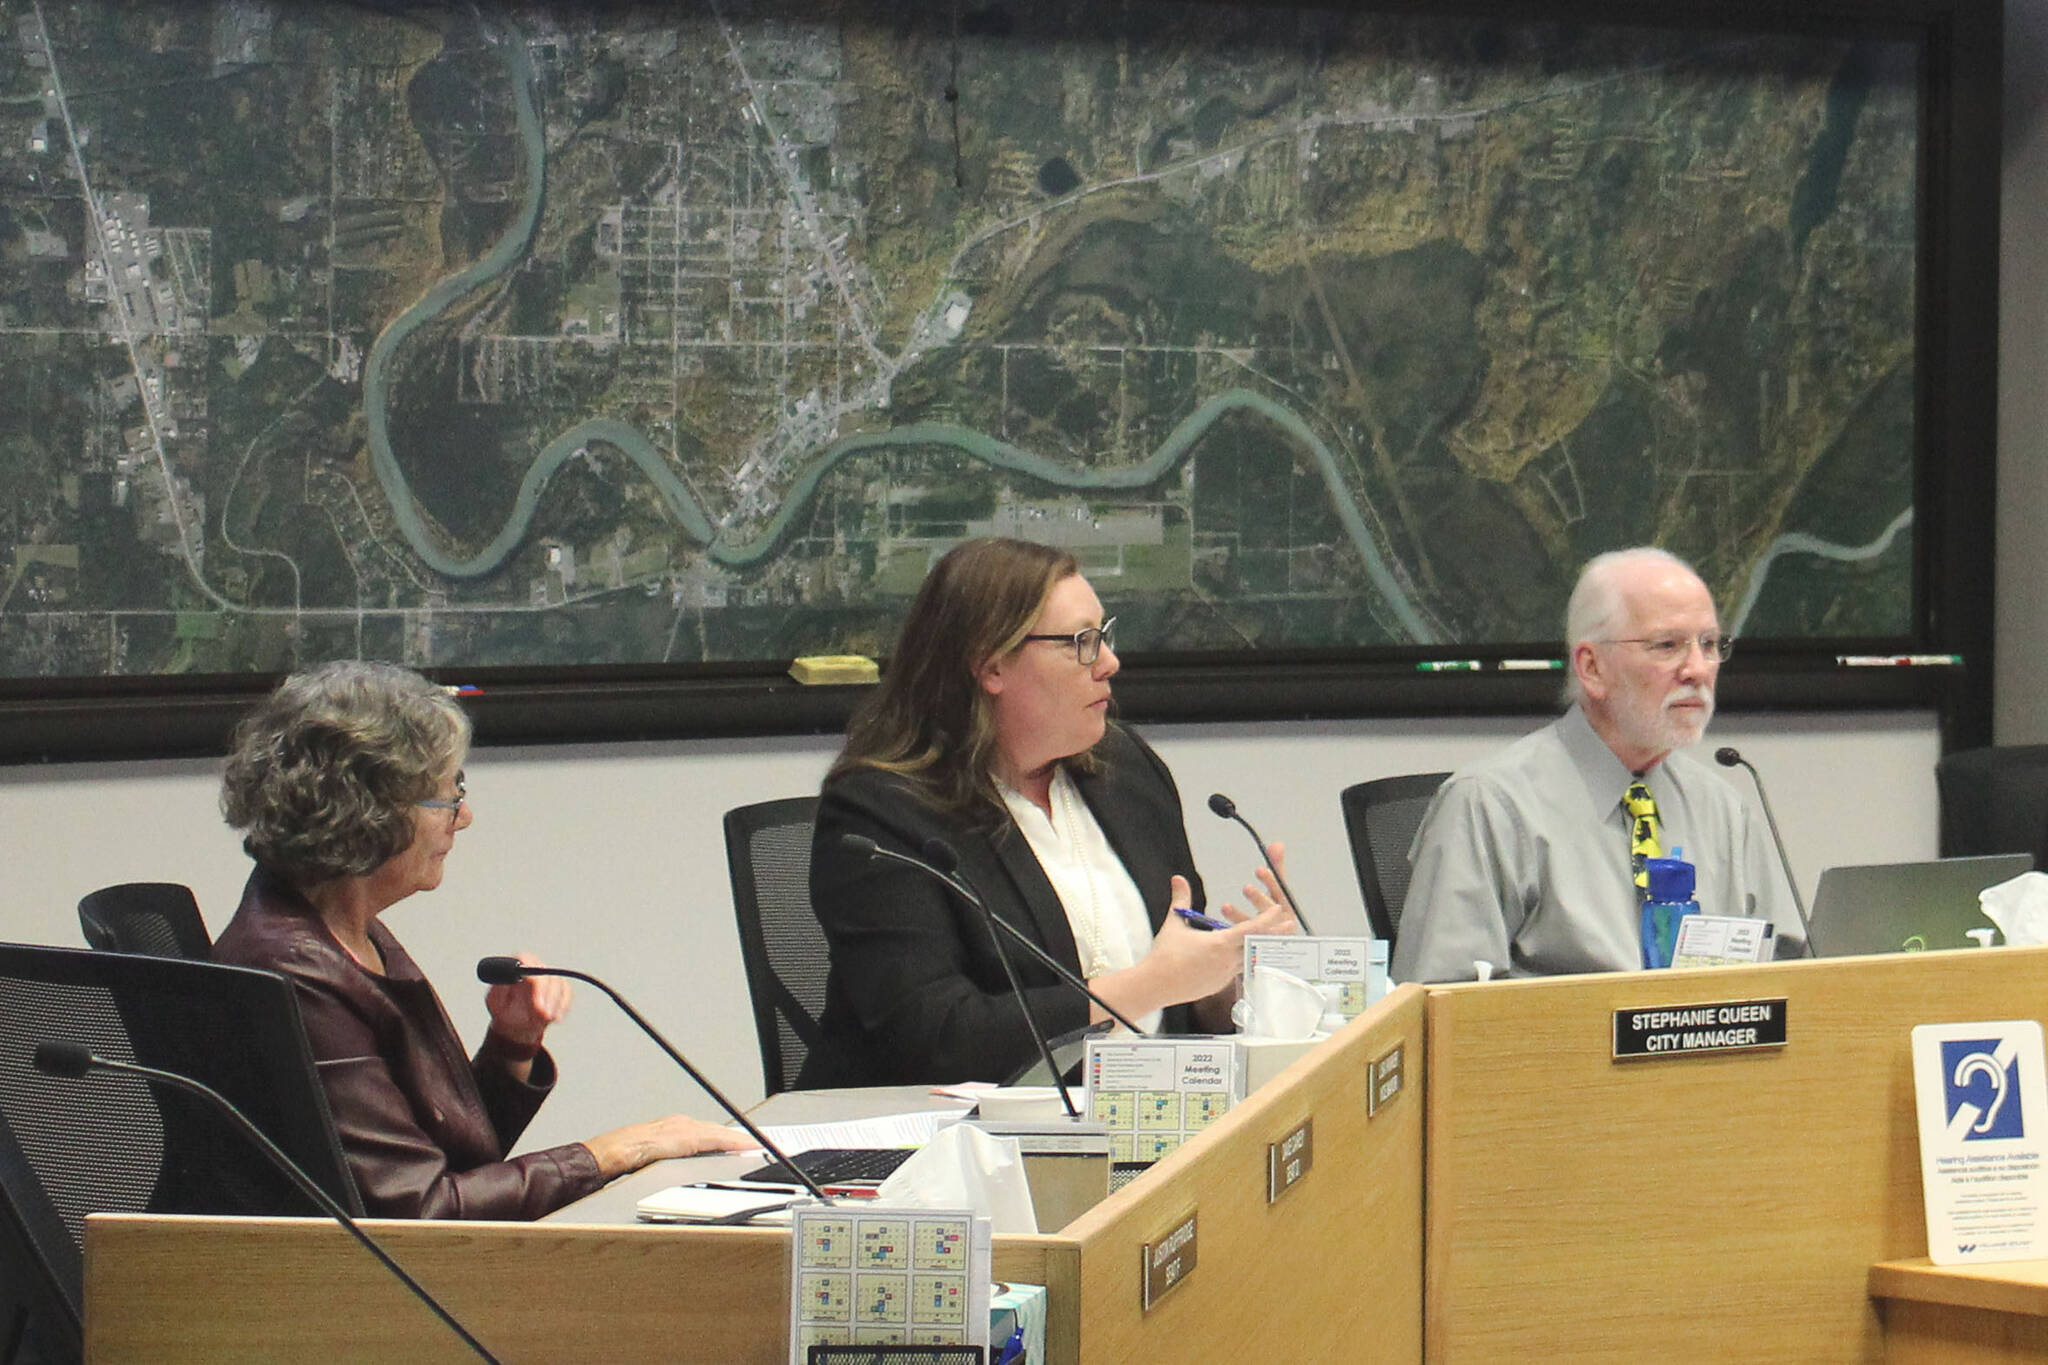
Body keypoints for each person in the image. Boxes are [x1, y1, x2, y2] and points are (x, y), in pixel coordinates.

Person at [212, 661, 750, 1219]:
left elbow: (444, 1156)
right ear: (370, 810)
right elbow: (420, 1211)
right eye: (448, 795)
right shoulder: (294, 970)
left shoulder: (344, 930)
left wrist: (512, 1045)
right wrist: (614, 1153)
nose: (463, 817)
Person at [800, 538, 1298, 1088]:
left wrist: (1230, 977)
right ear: (992, 666)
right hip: (947, 1152)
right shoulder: (881, 814)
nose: (1110, 662)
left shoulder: (1124, 771)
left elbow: (1180, 1005)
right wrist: (1150, 985)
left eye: (1104, 637)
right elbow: (938, 1039)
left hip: (1143, 1123)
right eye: (1082, 643)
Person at [1391, 547, 1798, 984]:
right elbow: (1438, 1013)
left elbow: (1792, 984)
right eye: (1667, 645)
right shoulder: (1489, 807)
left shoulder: (1724, 812)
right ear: (1592, 668)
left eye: (1709, 644)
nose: (1698, 669)